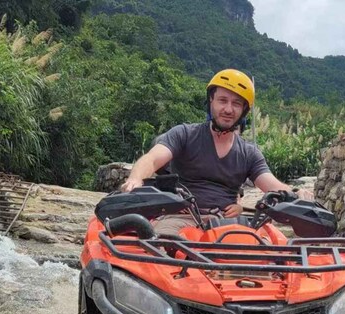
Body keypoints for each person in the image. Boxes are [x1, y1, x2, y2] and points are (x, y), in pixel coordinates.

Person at [120, 68, 315, 235]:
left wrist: (296, 193)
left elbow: (272, 185)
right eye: (223, 100)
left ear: (244, 111)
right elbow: (152, 159)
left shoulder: (249, 153)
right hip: (181, 216)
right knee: (159, 247)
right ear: (211, 101)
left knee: (269, 258)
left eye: (236, 103)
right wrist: (135, 179)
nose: (228, 109)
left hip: (227, 223)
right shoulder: (185, 134)